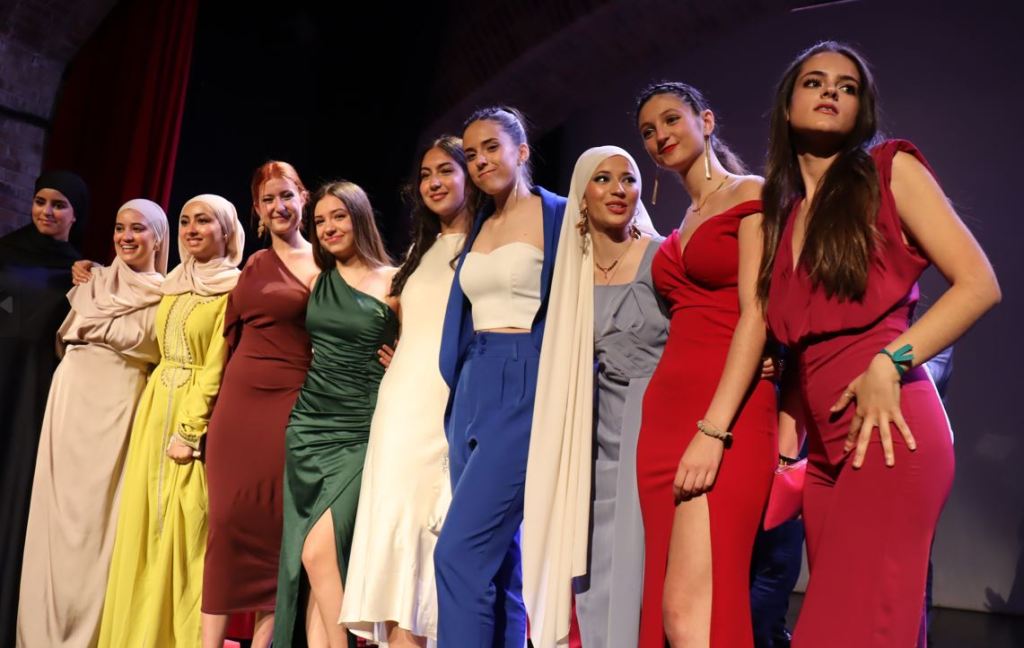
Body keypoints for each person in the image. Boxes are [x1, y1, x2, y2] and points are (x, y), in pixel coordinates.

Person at [759, 41, 999, 648]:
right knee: (876, 630)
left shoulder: (890, 171)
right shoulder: (788, 216)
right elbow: (801, 348)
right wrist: (786, 447)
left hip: (890, 433)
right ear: (787, 106)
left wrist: (891, 362)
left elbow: (979, 284)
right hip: (825, 461)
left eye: (848, 86)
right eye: (815, 81)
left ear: (861, 109)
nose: (831, 91)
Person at [435, 105, 592, 647]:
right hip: (472, 382)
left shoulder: (561, 215)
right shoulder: (481, 223)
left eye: (491, 148)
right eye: (471, 154)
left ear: (521, 151)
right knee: (498, 560)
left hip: (526, 377)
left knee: (458, 554)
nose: (480, 161)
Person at [635, 82, 778, 647]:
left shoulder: (751, 194)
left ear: (707, 121)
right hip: (664, 417)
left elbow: (757, 312)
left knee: (694, 615)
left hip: (724, 416)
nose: (660, 136)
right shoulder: (678, 225)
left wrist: (714, 430)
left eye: (672, 119)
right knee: (670, 611)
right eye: (648, 131)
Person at [340, 136, 473, 647]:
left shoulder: (484, 246)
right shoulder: (421, 251)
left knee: (427, 530)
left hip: (445, 404)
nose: (434, 182)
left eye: (446, 170)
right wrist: (403, 350)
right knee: (395, 533)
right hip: (398, 405)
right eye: (425, 174)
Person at [16, 199, 167, 648]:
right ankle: (37, 634)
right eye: (120, 227)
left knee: (98, 521)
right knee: (54, 516)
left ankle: (87, 635)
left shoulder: (168, 293)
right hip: (69, 400)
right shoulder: (92, 280)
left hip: (119, 404)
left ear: (158, 237)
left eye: (138, 228)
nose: (126, 237)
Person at [97, 194, 244, 648]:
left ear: (226, 230)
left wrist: (190, 428)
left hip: (195, 417)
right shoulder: (172, 283)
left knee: (188, 529)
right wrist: (86, 270)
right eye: (185, 221)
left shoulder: (234, 287)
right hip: (155, 406)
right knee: (144, 524)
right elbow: (127, 290)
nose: (192, 229)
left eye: (204, 221)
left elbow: (218, 363)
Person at [273, 180, 399, 648]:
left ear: (359, 217)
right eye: (320, 221)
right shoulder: (315, 281)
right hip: (308, 427)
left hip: (361, 430)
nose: (327, 228)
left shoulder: (395, 280)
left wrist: (403, 358)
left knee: (319, 552)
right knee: (310, 567)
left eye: (338, 217)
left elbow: (424, 344)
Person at [201, 162, 319, 648]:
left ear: (304, 197)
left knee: (273, 530)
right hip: (237, 406)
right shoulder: (252, 264)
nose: (278, 206)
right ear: (256, 209)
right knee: (225, 525)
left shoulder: (324, 264)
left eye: (286, 195)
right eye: (268, 199)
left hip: (288, 405)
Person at [569, 145, 664, 648]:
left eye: (628, 179)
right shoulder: (568, 273)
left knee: (644, 564)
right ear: (581, 194)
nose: (618, 190)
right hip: (592, 434)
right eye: (603, 179)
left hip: (653, 426)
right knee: (593, 565)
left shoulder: (661, 256)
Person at [0, 170, 88, 647]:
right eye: (40, 202)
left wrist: (86, 284)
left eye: (58, 205)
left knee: (15, 494)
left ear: (75, 215)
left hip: (34, 395)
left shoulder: (78, 271)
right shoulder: (6, 252)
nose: (46, 212)